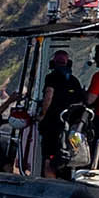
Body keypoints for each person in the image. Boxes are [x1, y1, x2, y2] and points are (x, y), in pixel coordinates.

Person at [37, 49, 84, 178]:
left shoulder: (51, 77)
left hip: (52, 125)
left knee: (48, 158)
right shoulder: (74, 80)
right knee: (69, 156)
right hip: (72, 127)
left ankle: (50, 185)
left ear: (53, 63)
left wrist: (42, 114)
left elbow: (48, 95)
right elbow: (81, 101)